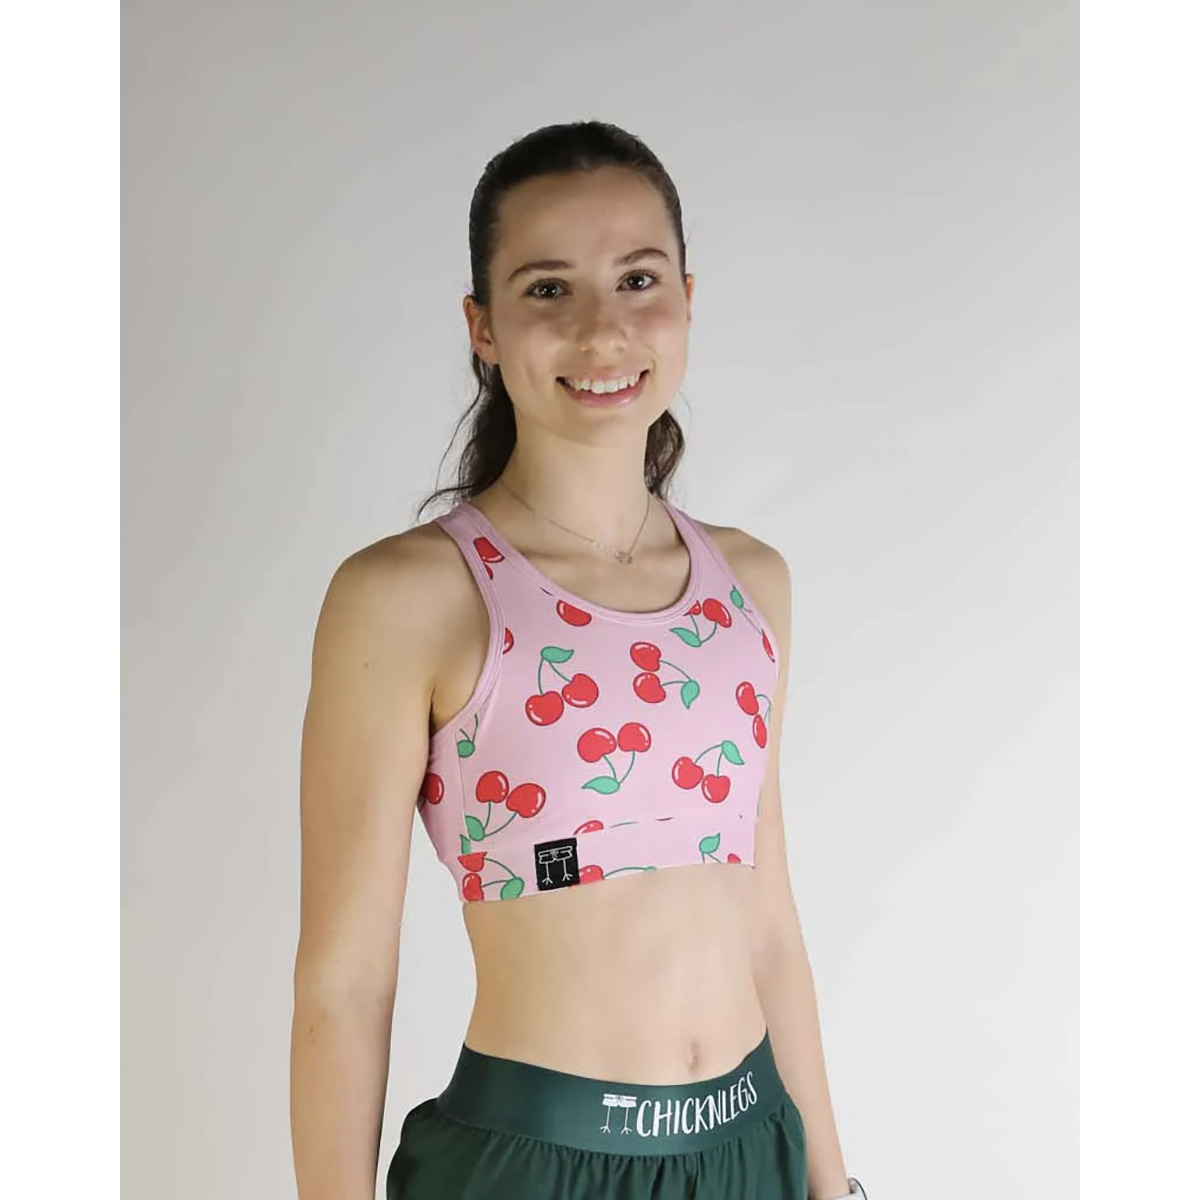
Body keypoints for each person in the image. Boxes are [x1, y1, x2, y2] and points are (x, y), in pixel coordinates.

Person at [290, 121, 866, 1200]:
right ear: (483, 326)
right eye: (548, 289)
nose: (603, 331)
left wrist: (834, 1185)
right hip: (532, 1166)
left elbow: (770, 928)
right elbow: (346, 976)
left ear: (686, 298)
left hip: (752, 1149)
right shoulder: (407, 597)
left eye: (637, 280)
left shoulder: (753, 583)